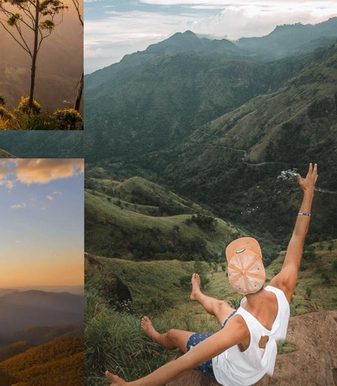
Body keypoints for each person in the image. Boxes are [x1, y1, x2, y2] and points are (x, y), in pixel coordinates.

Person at [105, 164, 319, 386]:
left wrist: (130, 385)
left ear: (235, 285)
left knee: (174, 335)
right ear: (263, 270)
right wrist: (308, 193)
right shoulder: (282, 288)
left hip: (233, 372)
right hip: (257, 354)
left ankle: (156, 336)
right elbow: (297, 237)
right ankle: (197, 295)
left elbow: (184, 363)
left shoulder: (238, 326)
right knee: (219, 306)